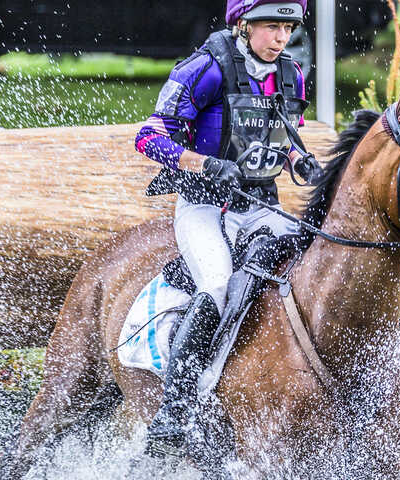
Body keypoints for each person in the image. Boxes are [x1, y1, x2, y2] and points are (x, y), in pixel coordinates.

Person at [134, 0, 323, 452]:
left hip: (261, 206)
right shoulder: (205, 68)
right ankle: (174, 410)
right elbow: (148, 136)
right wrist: (204, 163)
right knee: (218, 284)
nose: (281, 38)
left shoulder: (291, 75)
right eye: (272, 28)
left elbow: (283, 132)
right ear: (242, 25)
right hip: (203, 206)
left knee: (305, 270)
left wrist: (300, 159)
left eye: (288, 28)